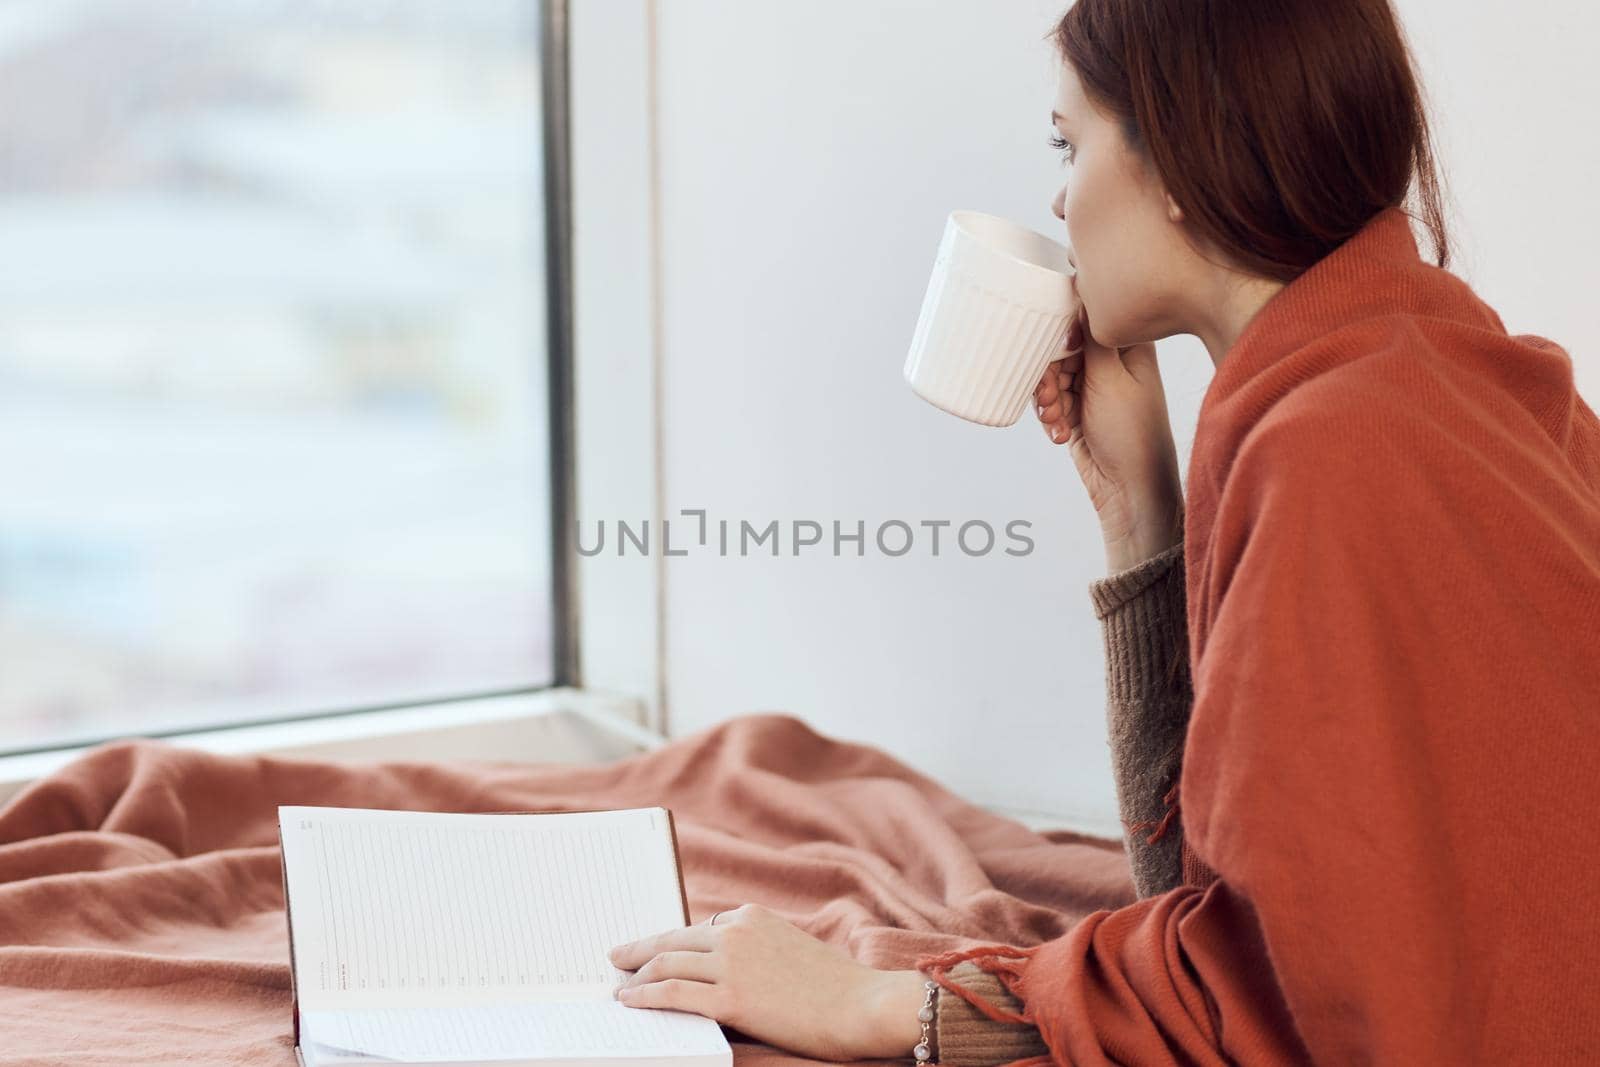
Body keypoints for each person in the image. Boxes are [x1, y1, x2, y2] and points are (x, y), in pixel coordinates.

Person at [607, 0, 1600, 1062]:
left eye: (1068, 143)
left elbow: (1263, 991)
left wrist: (877, 1003)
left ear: (1178, 157)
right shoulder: (1441, 369)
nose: (1057, 194)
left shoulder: (1336, 445)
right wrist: (1139, 505)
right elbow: (1211, 887)